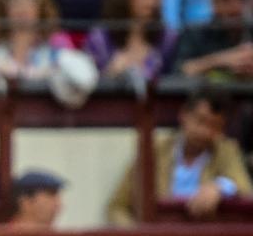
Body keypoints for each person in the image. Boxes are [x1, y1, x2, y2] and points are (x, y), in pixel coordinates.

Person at [107, 88, 253, 224]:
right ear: (184, 115)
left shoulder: (225, 150)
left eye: (214, 126)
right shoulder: (155, 151)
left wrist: (220, 187)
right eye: (200, 120)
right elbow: (117, 207)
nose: (205, 132)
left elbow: (245, 189)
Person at [84, 0, 178, 80]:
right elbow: (87, 82)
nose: (152, 1)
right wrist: (110, 73)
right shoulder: (100, 38)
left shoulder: (167, 38)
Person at [0, 0, 76, 79]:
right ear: (3, 8)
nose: (22, 6)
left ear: (41, 7)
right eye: (14, 0)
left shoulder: (58, 43)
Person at [174, 0, 253, 79]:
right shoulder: (195, 34)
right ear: (214, 3)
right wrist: (222, 59)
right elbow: (178, 72)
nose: (234, 7)